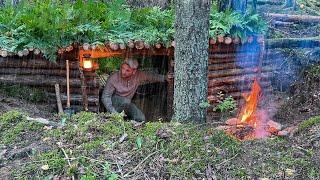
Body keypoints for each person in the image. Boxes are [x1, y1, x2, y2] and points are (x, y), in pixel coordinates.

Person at [101, 58, 167, 122]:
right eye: (123, 68)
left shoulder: (138, 76)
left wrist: (164, 78)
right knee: (125, 101)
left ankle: (127, 123)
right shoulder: (113, 78)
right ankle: (115, 118)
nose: (123, 72)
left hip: (128, 103)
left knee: (141, 118)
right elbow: (105, 97)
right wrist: (113, 112)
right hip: (114, 103)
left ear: (134, 71)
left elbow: (150, 76)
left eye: (127, 70)